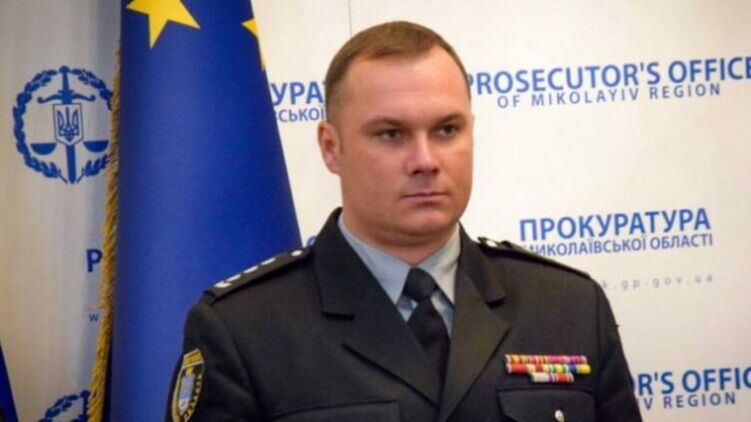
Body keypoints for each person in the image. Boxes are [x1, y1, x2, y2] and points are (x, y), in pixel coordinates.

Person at [167, 21, 642, 422]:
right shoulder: (244, 329)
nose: (426, 160)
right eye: (392, 134)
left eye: (447, 130)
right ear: (331, 147)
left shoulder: (568, 307)